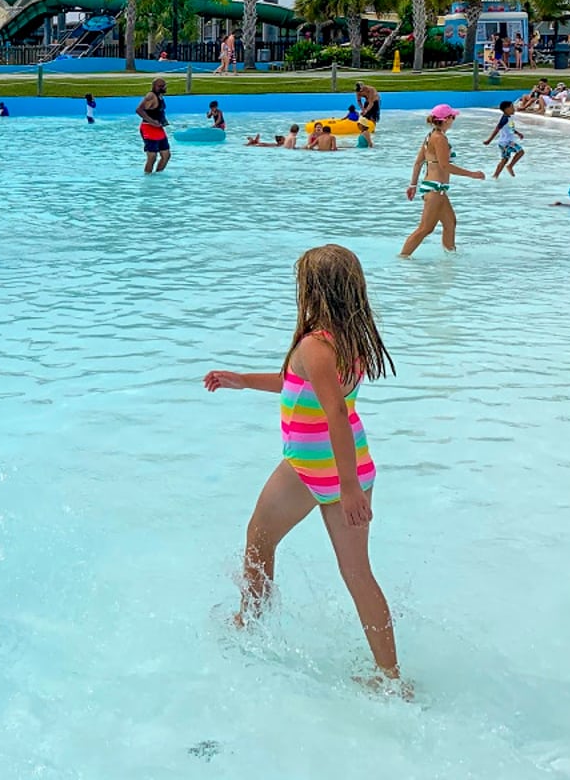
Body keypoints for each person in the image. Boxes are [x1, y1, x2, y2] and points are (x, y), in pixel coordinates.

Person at [202, 245, 404, 689]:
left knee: (259, 537)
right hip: (347, 463)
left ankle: (249, 621)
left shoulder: (315, 344)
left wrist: (347, 488)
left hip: (314, 467)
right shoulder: (349, 338)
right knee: (356, 573)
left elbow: (333, 412)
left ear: (315, 290)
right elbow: (297, 385)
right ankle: (391, 677)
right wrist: (242, 381)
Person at [400, 105, 485, 256]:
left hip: (435, 188)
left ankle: (450, 257)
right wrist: (472, 174)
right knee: (425, 228)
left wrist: (413, 185)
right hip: (436, 188)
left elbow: (418, 162)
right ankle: (402, 258)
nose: (454, 120)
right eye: (453, 117)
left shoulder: (430, 136)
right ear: (446, 120)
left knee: (450, 223)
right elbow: (445, 166)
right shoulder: (440, 139)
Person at [136, 77, 171, 174]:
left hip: (158, 129)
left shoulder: (160, 96)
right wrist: (152, 122)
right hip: (148, 128)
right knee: (152, 157)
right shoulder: (151, 96)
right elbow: (139, 110)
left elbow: (157, 111)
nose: (165, 87)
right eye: (163, 86)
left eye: (165, 85)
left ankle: (158, 175)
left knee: (166, 155)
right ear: (156, 86)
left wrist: (162, 121)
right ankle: (147, 177)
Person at [484, 100, 525, 178]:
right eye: (512, 107)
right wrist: (489, 140)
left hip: (503, 143)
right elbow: (497, 129)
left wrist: (518, 133)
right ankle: (510, 166)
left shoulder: (509, 118)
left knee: (504, 159)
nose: (514, 108)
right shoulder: (504, 119)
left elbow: (511, 128)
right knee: (521, 152)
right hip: (506, 142)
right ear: (506, 109)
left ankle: (495, 176)